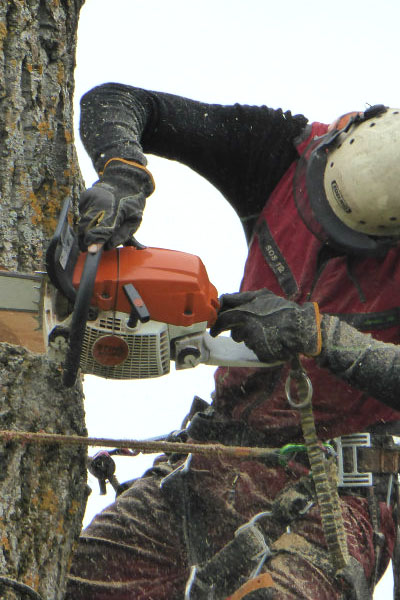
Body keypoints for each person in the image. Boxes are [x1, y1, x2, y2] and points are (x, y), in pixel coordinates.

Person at [65, 88, 400, 599]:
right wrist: (123, 175)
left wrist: (320, 335)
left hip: (342, 489)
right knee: (81, 580)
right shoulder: (277, 151)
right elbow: (120, 101)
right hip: (214, 451)